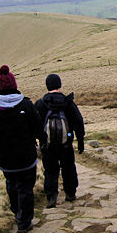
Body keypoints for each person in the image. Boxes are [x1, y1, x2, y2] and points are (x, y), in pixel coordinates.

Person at [0, 65, 46, 233]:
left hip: (4, 158)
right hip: (27, 156)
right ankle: (24, 221)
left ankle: (17, 212)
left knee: (11, 183)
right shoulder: (27, 104)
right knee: (26, 187)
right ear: (14, 84)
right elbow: (38, 129)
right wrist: (44, 145)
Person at [35, 73, 85, 208]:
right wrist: (80, 141)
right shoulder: (68, 102)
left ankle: (51, 197)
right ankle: (70, 193)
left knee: (50, 170)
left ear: (47, 86)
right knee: (68, 167)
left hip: (47, 145)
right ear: (59, 84)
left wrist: (36, 141)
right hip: (66, 143)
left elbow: (34, 124)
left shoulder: (41, 104)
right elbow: (78, 121)